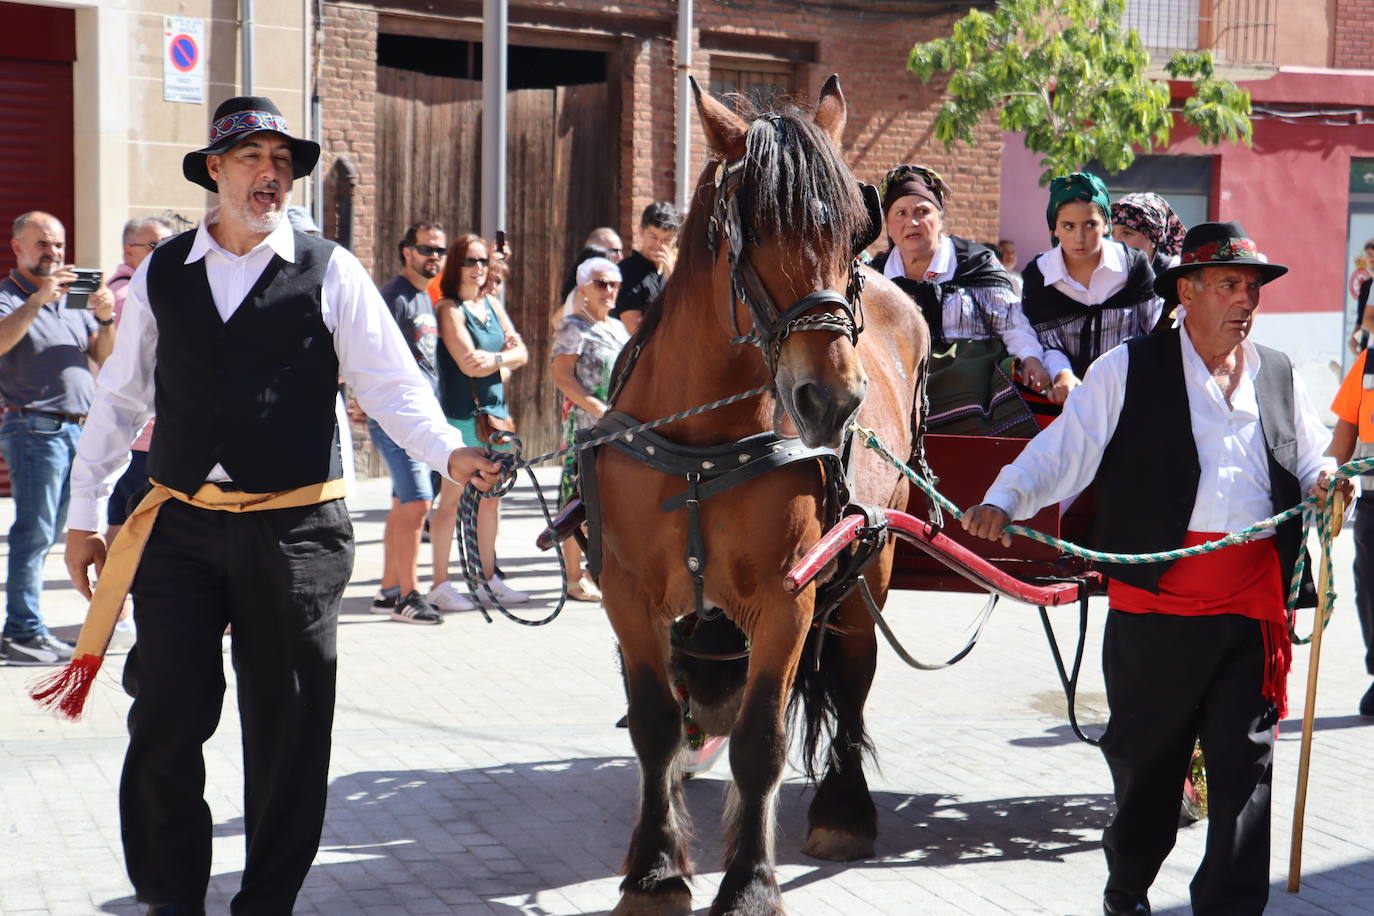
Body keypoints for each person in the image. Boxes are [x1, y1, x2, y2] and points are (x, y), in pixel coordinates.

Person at [62, 95, 502, 914]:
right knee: (164, 718)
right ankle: (169, 897)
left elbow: (390, 386)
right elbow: (120, 400)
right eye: (253, 158)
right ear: (215, 171)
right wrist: (85, 515)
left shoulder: (330, 268)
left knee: (288, 737)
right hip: (181, 524)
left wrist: (450, 450)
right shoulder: (164, 270)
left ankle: (264, 904)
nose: (271, 174)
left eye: (282, 161)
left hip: (297, 528)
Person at [962, 222, 1336, 916]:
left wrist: (1326, 481)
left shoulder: (1278, 371)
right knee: (1148, 772)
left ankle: (1227, 905)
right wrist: (1003, 498)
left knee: (1244, 772)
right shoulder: (1127, 369)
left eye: (1252, 287)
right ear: (1186, 292)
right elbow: (1062, 454)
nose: (1245, 300)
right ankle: (1127, 888)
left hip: (1252, 610)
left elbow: (1311, 455)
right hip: (1155, 613)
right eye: (1229, 284)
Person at [0, 211, 115, 665]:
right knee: (34, 532)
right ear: (18, 248)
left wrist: (105, 320)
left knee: (54, 533)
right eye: (44, 245)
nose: (54, 254)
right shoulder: (9, 296)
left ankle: (28, 627)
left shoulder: (70, 301)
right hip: (35, 428)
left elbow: (102, 356)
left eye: (60, 247)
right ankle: (22, 630)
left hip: (75, 430)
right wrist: (37, 300)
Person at [871, 165, 1049, 392]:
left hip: (973, 385)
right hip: (900, 387)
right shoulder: (876, 275)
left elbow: (1012, 323)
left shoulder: (973, 262)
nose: (912, 222)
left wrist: (1031, 358)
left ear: (940, 218)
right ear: (889, 227)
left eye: (922, 212)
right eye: (900, 213)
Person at [429, 232, 530, 609]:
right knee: (451, 501)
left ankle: (490, 579)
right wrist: (499, 359)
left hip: (497, 418)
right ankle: (440, 584)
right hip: (462, 419)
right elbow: (466, 360)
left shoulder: (491, 304)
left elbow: (520, 351)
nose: (477, 269)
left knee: (492, 500)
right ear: (457, 265)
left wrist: (498, 361)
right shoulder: (449, 308)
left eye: (483, 262)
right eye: (470, 261)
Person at [368, 220, 450, 623]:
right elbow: (368, 351)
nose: (433, 256)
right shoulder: (393, 297)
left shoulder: (425, 298)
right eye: (426, 249)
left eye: (439, 251)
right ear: (407, 251)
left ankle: (387, 589)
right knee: (418, 502)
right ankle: (408, 595)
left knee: (404, 503)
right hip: (395, 419)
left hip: (420, 417)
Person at [1021, 173, 1160, 405]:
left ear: (1106, 224)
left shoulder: (1133, 267)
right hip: (1064, 397)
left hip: (1130, 390)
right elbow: (1044, 341)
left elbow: (1157, 328)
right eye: (1068, 226)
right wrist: (1061, 373)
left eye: (1090, 224)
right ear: (1054, 229)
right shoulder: (1039, 275)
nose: (1080, 237)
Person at [105, 215, 176, 653]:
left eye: (167, 244)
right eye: (153, 246)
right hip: (140, 437)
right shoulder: (127, 294)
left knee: (125, 526)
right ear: (129, 250)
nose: (162, 253)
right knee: (127, 528)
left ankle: (119, 614)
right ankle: (120, 614)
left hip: (150, 434)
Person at [551, 256, 629, 601]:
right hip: (584, 428)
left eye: (614, 284)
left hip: (616, 428)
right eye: (601, 283)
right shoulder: (573, 326)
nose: (608, 290)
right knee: (576, 500)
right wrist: (595, 406)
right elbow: (562, 376)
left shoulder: (617, 328)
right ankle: (572, 579)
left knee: (610, 501)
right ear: (583, 288)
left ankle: (594, 570)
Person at [1328, 348, 1374, 715]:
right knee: (1370, 591)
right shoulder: (1369, 362)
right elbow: (1346, 427)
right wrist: (1330, 483)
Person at [1111, 192, 1187, 332]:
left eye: (1127, 233)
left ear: (1153, 237)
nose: (1116, 242)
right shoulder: (1106, 273)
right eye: (1112, 233)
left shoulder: (1178, 275)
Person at [611, 202, 680, 335]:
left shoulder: (675, 273)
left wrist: (672, 278)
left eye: (666, 240)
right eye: (653, 237)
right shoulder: (627, 271)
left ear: (675, 239)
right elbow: (635, 330)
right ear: (641, 231)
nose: (658, 245)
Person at [1349, 238, 1374, 354]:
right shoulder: (1366, 286)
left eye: (1373, 254)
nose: (1371, 258)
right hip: (1368, 343)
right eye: (1368, 255)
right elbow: (1363, 321)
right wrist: (1355, 337)